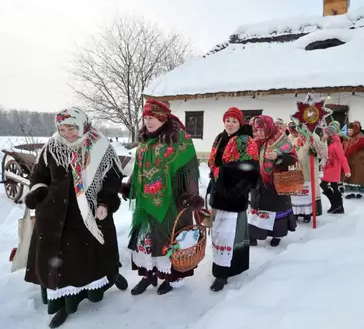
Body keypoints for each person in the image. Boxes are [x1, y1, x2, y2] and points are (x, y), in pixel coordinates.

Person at [24, 107, 127, 328]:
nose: (67, 133)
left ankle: (97, 285)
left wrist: (105, 202)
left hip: (88, 214)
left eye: (72, 127)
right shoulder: (52, 146)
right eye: (62, 128)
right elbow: (39, 174)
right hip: (53, 214)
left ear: (82, 125)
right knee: (56, 259)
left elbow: (113, 178)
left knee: (86, 258)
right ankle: (61, 303)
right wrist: (38, 192)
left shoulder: (100, 146)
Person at [121, 99, 205, 296]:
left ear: (162, 117)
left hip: (173, 201)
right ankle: (148, 274)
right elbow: (139, 166)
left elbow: (189, 169)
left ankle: (172, 277)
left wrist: (191, 195)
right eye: (146, 118)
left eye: (153, 118)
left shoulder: (179, 139)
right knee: (147, 240)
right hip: (146, 202)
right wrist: (131, 186)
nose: (148, 122)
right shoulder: (145, 141)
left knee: (169, 240)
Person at [207, 107, 259, 291]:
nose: (229, 124)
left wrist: (233, 186)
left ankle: (223, 273)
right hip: (218, 191)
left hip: (234, 193)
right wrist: (215, 176)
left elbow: (250, 169)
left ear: (240, 123)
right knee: (218, 232)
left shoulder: (247, 141)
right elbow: (214, 162)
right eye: (227, 120)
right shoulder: (220, 138)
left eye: (234, 121)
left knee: (228, 233)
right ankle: (220, 265)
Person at [248, 116, 297, 247]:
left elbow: (293, 158)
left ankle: (277, 235)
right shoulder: (256, 142)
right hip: (259, 181)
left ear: (268, 127)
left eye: (261, 130)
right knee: (257, 208)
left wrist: (278, 155)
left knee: (275, 209)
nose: (258, 133)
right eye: (256, 130)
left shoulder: (281, 139)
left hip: (276, 181)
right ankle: (253, 234)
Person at [287, 122, 325, 222]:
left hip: (308, 170)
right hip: (295, 169)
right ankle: (296, 212)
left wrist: (315, 152)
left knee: (307, 192)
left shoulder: (313, 137)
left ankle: (307, 214)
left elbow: (322, 150)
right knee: (296, 193)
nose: (297, 131)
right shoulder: (290, 137)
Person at [320, 126, 351, 214]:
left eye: (325, 134)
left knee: (324, 185)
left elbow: (342, 158)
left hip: (333, 168)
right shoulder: (328, 143)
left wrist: (347, 170)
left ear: (330, 135)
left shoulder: (336, 144)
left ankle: (336, 204)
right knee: (334, 187)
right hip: (328, 167)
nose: (324, 135)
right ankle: (337, 206)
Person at [343, 122, 364, 199]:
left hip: (358, 161)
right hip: (348, 161)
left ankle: (359, 192)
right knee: (349, 177)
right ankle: (350, 192)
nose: (349, 132)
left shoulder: (361, 138)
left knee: (358, 177)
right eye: (348, 130)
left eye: (351, 130)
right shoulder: (346, 138)